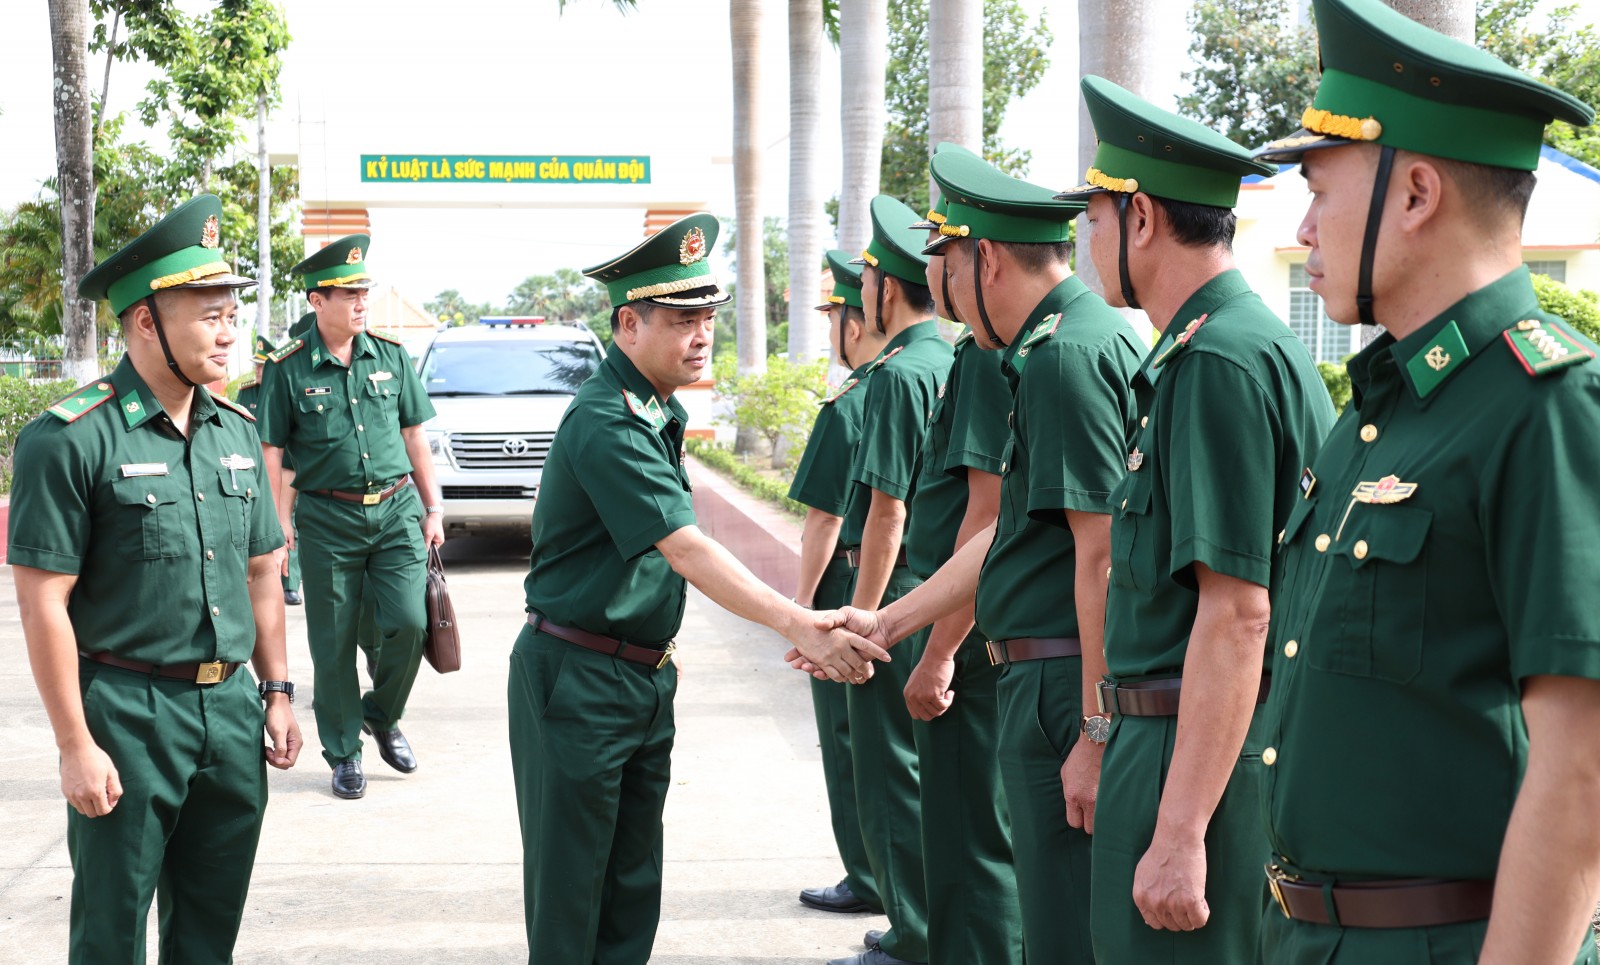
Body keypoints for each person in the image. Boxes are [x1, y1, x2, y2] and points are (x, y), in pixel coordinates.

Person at [1249, 0, 1600, 960]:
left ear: (1415, 194)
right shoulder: (1384, 410)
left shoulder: (1547, 405)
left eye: (1321, 190)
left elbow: (1583, 771)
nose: (1305, 225)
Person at [507, 213, 889, 965]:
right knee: (571, 894)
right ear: (628, 323)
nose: (701, 335)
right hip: (579, 678)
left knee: (629, 886)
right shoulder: (607, 422)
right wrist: (799, 621)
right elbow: (686, 547)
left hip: (638, 674)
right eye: (682, 320)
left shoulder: (656, 413)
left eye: (706, 318)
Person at [813, 150, 1145, 964]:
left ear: (983, 258)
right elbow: (1007, 533)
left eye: (947, 267)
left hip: (1066, 679)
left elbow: (1097, 553)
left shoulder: (1063, 355)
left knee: (1052, 916)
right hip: (1052, 670)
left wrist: (1098, 729)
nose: (943, 294)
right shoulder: (1062, 344)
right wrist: (888, 621)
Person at [1054, 76, 1336, 962]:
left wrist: (1178, 833)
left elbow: (1239, 609)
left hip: (1195, 755)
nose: (1085, 242)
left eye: (1094, 220)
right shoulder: (1220, 347)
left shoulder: (1219, 361)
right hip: (1184, 740)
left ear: (1140, 219)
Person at [9, 194, 301, 963]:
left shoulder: (237, 432)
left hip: (231, 712)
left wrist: (276, 691)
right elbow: (43, 601)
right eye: (208, 314)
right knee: (110, 931)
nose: (228, 330)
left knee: (209, 930)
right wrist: (75, 743)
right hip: (128, 716)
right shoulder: (69, 438)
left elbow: (261, 573)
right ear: (146, 322)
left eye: (230, 312)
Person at [255, 234, 441, 799]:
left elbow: (415, 435)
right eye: (350, 293)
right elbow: (274, 454)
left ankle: (381, 714)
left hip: (396, 510)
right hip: (327, 519)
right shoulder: (285, 369)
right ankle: (343, 752)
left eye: (365, 291)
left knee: (410, 622)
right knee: (332, 642)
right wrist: (274, 526)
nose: (362, 302)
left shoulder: (391, 356)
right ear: (318, 301)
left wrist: (433, 507)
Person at [819, 195, 954, 965]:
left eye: (865, 276)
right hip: (946, 594)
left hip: (900, 593)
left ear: (883, 289)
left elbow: (886, 511)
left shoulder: (900, 375)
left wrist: (861, 619)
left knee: (891, 774)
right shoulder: (956, 356)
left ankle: (913, 933)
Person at [792, 249, 889, 918]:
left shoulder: (852, 400)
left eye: (833, 314)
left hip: (852, 581)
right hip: (909, 585)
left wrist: (798, 607)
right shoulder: (933, 375)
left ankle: (868, 873)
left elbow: (824, 517)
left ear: (854, 322)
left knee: (853, 743)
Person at [235, 335, 302, 605]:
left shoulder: (283, 388)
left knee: (287, 523)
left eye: (263, 366)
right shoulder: (247, 392)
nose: (258, 371)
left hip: (284, 468)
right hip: (251, 468)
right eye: (257, 366)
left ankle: (291, 582)